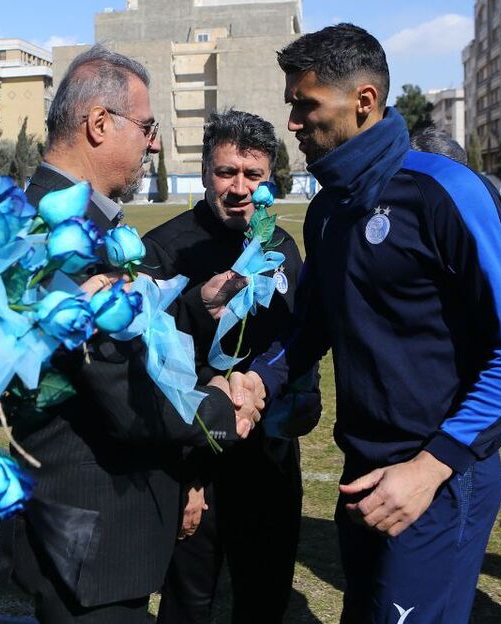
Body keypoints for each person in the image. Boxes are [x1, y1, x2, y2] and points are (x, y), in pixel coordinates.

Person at [245, 23, 501, 623]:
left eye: (305, 105)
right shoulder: (327, 210)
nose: (293, 124)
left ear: (364, 101)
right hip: (362, 472)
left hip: (436, 478)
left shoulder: (448, 190)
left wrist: (429, 468)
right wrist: (260, 379)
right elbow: (311, 327)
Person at [0, 44, 265, 623]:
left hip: (87, 533)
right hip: (89, 542)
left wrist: (192, 309)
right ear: (98, 124)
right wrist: (222, 409)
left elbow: (107, 341)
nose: (154, 143)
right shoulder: (58, 234)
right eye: (146, 126)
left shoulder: (67, 218)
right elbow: (123, 390)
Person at [143, 109, 319, 623]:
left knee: (264, 599)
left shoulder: (281, 247)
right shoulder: (164, 249)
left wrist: (305, 397)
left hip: (269, 461)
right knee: (189, 606)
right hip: (197, 467)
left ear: (270, 179)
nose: (239, 187)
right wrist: (187, 477)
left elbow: (300, 338)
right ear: (204, 173)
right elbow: (152, 368)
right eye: (226, 172)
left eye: (253, 175)